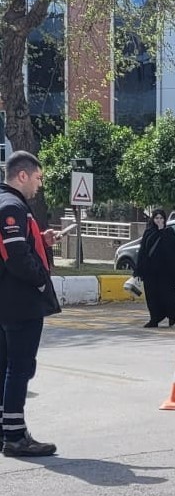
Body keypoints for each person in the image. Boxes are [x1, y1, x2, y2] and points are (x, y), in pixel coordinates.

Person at [0, 151, 64, 457]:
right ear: (22, 175)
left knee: (7, 366)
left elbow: (14, 245)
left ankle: (7, 429)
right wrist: (41, 281)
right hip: (19, 302)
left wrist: (40, 239)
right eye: (38, 178)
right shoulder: (11, 206)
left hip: (7, 301)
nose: (39, 185)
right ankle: (14, 436)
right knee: (20, 367)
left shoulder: (6, 204)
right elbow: (15, 256)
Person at [134, 209, 175, 327]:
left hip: (165, 272)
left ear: (164, 219)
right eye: (156, 218)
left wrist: (162, 231)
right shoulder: (149, 232)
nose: (159, 221)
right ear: (153, 219)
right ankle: (154, 319)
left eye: (161, 218)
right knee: (152, 296)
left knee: (168, 294)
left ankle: (172, 316)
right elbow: (143, 252)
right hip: (150, 272)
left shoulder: (168, 232)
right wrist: (139, 270)